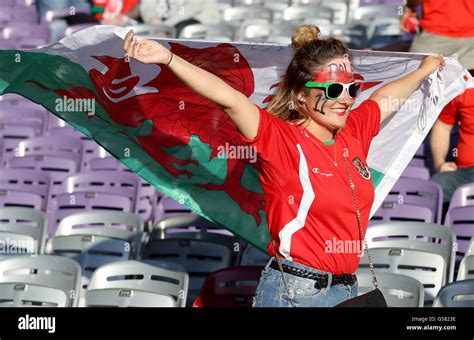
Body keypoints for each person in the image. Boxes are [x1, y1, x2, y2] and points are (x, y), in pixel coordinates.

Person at [123, 25, 444, 307]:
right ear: (302, 97)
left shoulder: (353, 131)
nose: (345, 99)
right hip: (296, 293)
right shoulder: (280, 140)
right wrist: (168, 59)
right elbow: (229, 99)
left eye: (351, 89)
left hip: (349, 290)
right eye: (333, 90)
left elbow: (386, 97)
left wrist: (425, 69)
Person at [430, 71, 474, 205]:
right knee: (433, 189)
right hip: (466, 173)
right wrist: (440, 164)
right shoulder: (465, 84)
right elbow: (442, 127)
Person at [139, 0, 220, 36]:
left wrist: (164, 27)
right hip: (164, 25)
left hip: (198, 24)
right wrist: (153, 19)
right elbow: (147, 5)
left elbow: (187, 10)